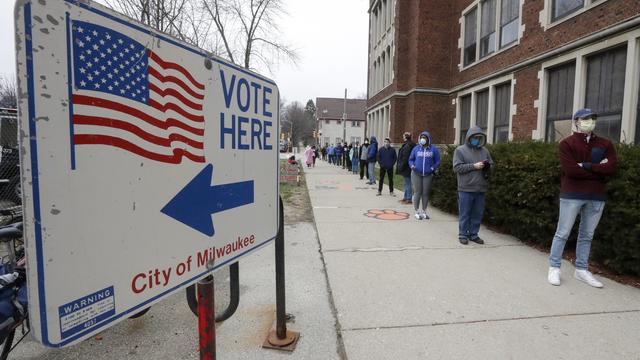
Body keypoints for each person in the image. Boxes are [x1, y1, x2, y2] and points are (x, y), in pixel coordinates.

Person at [547, 108, 618, 288]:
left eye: (593, 118)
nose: (590, 122)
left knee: (587, 235)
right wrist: (597, 170)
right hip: (572, 194)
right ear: (576, 121)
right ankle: (554, 267)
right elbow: (571, 171)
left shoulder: (605, 144)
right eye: (586, 119)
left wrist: (586, 166)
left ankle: (581, 269)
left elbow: (611, 168)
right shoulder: (566, 144)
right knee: (562, 233)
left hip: (596, 196)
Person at [453, 126, 493, 245]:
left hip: (481, 188)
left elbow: (492, 164)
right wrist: (473, 166)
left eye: (479, 138)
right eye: (475, 137)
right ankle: (463, 234)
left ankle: (474, 234)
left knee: (477, 213)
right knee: (465, 213)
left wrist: (487, 166)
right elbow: (457, 167)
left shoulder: (485, 151)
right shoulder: (460, 150)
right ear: (469, 138)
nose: (477, 140)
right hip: (465, 188)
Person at [409, 131, 440, 219]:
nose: (423, 139)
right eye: (422, 137)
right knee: (417, 192)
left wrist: (432, 168)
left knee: (425, 193)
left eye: (425, 137)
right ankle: (416, 211)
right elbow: (410, 159)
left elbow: (437, 161)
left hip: (428, 174)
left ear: (428, 139)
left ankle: (424, 211)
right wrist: (412, 165)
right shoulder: (416, 149)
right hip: (416, 173)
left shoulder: (433, 149)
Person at [396, 132, 416, 204]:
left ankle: (409, 199)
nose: (402, 137)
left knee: (408, 183)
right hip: (407, 167)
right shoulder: (408, 144)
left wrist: (401, 166)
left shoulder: (407, 145)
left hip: (407, 167)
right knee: (406, 183)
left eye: (403, 136)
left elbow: (405, 158)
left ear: (405, 137)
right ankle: (405, 197)